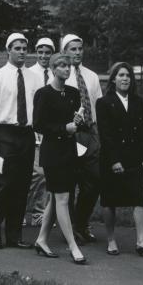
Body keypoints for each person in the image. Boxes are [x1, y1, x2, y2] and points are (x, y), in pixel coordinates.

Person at [0, 33, 42, 249]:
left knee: (22, 185)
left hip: (26, 134)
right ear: (9, 50)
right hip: (4, 134)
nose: (22, 51)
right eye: (17, 48)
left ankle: (15, 234)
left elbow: (38, 110)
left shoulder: (35, 78)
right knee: (4, 185)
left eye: (25, 48)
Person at [96, 62, 143, 256]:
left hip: (133, 157)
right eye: (121, 75)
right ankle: (111, 239)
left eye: (128, 76)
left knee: (139, 199)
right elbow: (105, 135)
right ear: (113, 79)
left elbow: (141, 132)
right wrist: (114, 160)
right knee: (110, 201)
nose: (125, 79)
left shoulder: (137, 101)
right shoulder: (104, 102)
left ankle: (141, 241)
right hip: (112, 158)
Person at [33, 53, 86, 264]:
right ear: (53, 69)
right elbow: (38, 124)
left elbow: (75, 122)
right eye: (62, 66)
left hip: (69, 151)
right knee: (62, 198)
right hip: (52, 153)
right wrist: (63, 128)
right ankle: (73, 246)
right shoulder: (43, 94)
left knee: (57, 199)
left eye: (68, 66)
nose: (67, 69)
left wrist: (77, 122)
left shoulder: (73, 92)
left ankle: (42, 239)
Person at [62, 34, 102, 244]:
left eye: (80, 49)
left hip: (90, 133)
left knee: (94, 181)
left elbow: (98, 106)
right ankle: (70, 228)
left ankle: (81, 222)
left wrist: (98, 133)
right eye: (73, 49)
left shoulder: (92, 76)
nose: (77, 53)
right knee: (69, 183)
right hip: (69, 134)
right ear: (65, 51)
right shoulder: (61, 75)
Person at [25, 37, 55, 227]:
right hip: (34, 129)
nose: (44, 56)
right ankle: (19, 209)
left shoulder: (57, 73)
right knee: (35, 174)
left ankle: (39, 213)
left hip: (52, 130)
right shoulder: (29, 74)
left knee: (47, 174)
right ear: (36, 52)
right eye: (41, 52)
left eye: (48, 52)